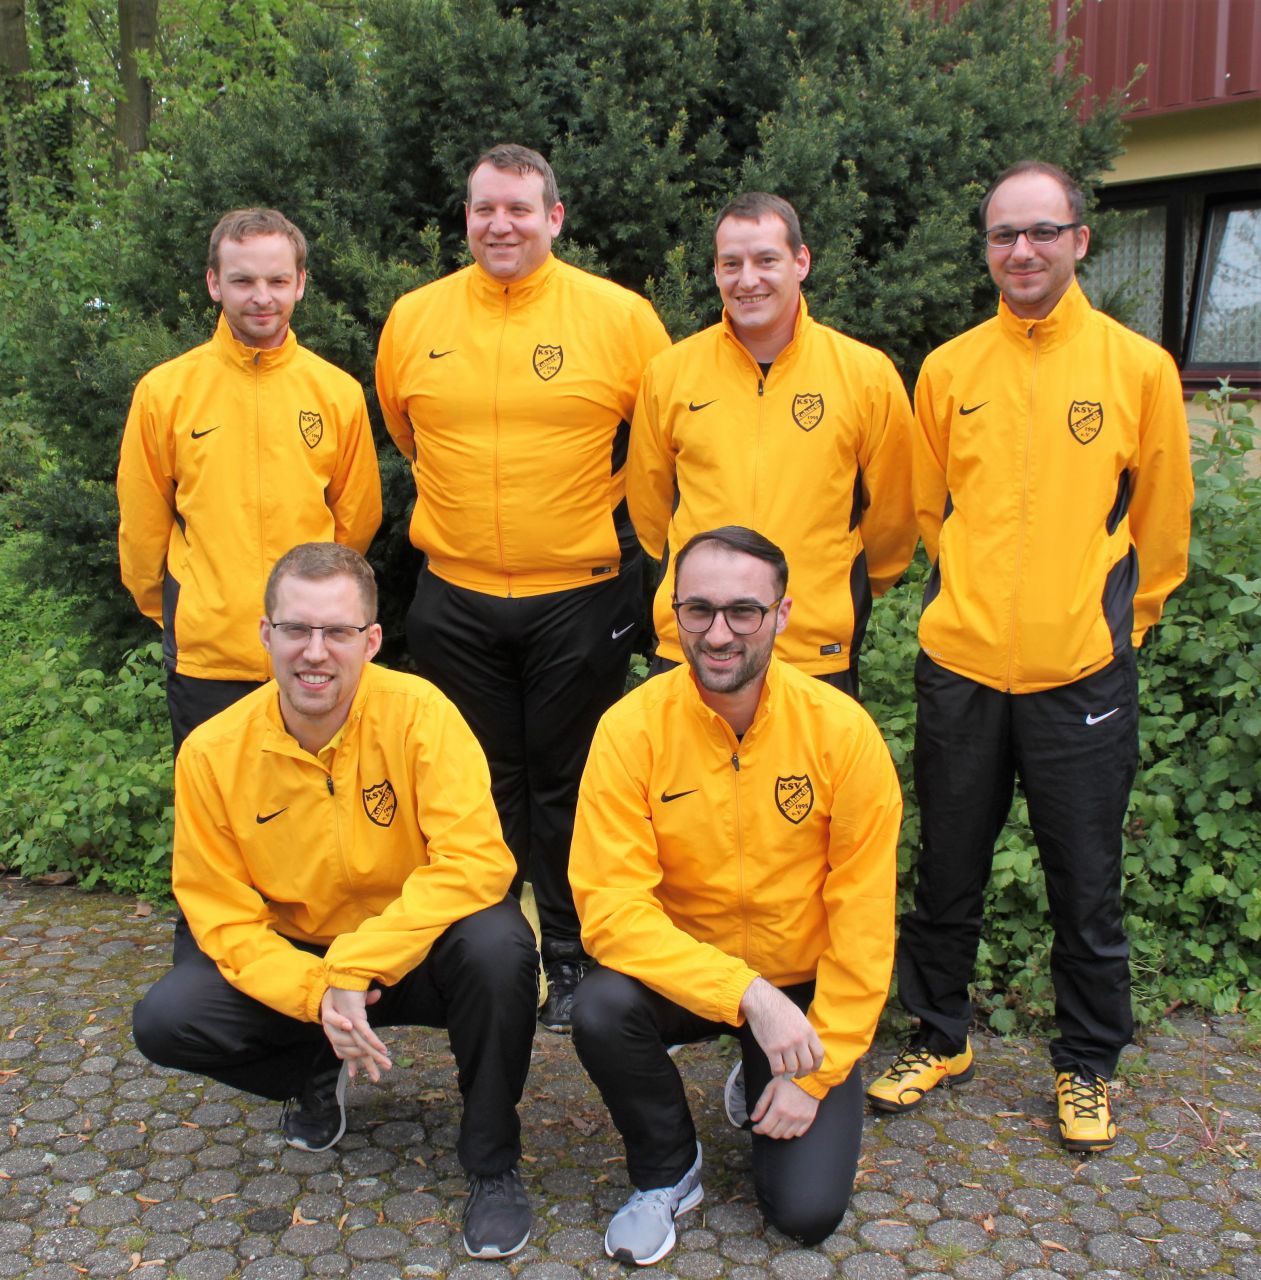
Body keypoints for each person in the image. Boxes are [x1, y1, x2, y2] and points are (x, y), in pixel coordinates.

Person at [866, 160, 1194, 1152]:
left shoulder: (1138, 369)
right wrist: (969, 602)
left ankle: (1087, 1060)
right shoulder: (949, 368)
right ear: (987, 249)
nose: (1021, 250)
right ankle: (939, 1036)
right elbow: (929, 509)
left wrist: (1112, 633)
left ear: (1079, 240)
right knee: (947, 869)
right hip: (961, 666)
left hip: (1080, 673)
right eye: (1003, 234)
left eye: (1041, 231)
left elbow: (1161, 528)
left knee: (1083, 879)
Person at [131, 544, 538, 1259]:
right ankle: (314, 1067)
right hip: (303, 960)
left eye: (337, 632)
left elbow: (476, 861)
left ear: (371, 641)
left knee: (501, 948)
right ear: (265, 634)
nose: (314, 652)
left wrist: (358, 963)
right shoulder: (212, 752)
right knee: (168, 1019)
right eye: (295, 629)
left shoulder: (421, 716)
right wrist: (318, 988)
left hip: (413, 949)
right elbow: (219, 913)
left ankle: (492, 1163)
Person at [376, 144, 671, 1030]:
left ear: (555, 217)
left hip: (581, 592)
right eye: (483, 209)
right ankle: (489, 958)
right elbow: (406, 432)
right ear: (464, 217)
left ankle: (573, 955)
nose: (499, 225)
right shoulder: (415, 318)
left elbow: (658, 444)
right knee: (474, 785)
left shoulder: (620, 317)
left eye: (518, 209)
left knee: (572, 785)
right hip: (456, 595)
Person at [569, 526, 902, 1264]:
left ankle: (765, 1068)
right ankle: (667, 1168)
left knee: (805, 1215)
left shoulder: (842, 734)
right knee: (600, 1006)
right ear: (674, 613)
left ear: (782, 615)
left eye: (743, 611)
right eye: (699, 610)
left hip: (802, 987)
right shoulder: (629, 731)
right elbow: (611, 910)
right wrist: (746, 994)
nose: (718, 634)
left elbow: (863, 917)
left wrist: (817, 1074)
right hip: (689, 973)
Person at [627, 192, 916, 698]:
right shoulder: (670, 374)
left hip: (813, 646)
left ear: (800, 262)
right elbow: (651, 512)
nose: (748, 280)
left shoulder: (866, 375)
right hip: (695, 643)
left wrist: (832, 588)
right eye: (731, 264)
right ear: (715, 271)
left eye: (766, 260)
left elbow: (893, 520)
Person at [118, 208, 381, 756]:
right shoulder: (164, 393)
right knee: (214, 801)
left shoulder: (336, 393)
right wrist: (182, 613)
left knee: (314, 797)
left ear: (300, 283)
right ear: (214, 283)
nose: (262, 297)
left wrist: (321, 617)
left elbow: (356, 521)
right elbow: (142, 528)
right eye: (243, 281)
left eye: (277, 280)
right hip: (209, 658)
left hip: (313, 656)